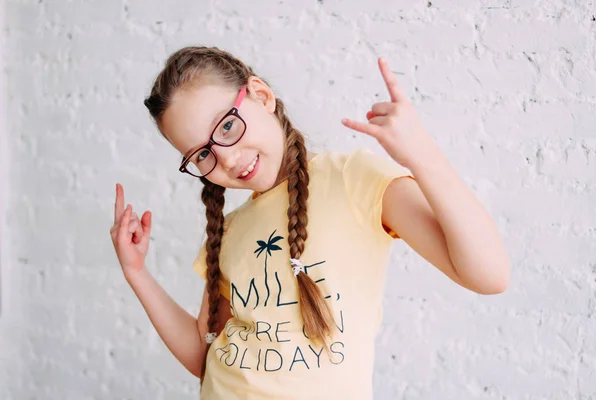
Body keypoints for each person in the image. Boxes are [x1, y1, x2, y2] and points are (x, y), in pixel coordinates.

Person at [109, 46, 511, 399]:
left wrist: (421, 154)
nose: (226, 159)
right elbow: (204, 353)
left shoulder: (353, 180)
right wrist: (137, 273)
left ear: (261, 95)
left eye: (227, 126)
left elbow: (488, 275)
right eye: (201, 155)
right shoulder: (229, 231)